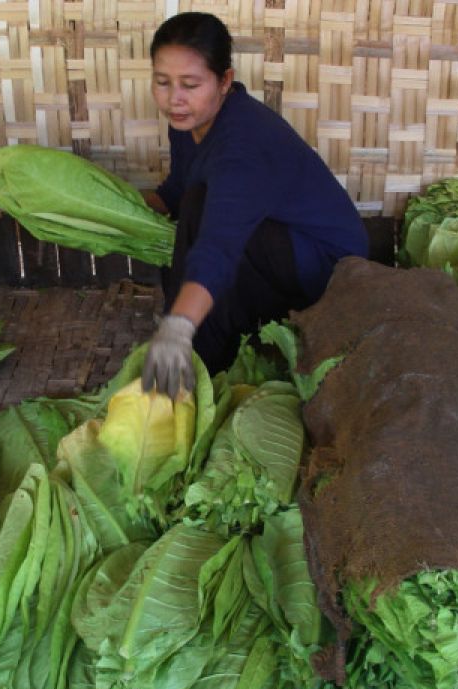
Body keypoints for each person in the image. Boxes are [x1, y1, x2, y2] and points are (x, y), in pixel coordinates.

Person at [140, 12, 368, 399]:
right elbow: (177, 189)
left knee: (202, 221)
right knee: (194, 209)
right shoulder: (189, 121)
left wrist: (178, 325)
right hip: (276, 244)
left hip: (329, 268)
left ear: (224, 82)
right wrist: (98, 200)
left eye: (190, 84)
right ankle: (200, 340)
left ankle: (199, 363)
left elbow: (218, 245)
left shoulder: (243, 143)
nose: (174, 98)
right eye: (162, 82)